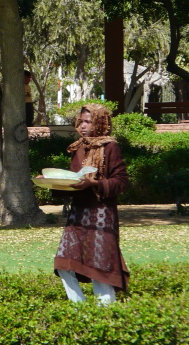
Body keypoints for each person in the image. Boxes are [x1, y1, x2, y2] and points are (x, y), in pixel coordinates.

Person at [53, 104, 130, 305]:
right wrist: (53, 182)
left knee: (100, 264)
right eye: (81, 121)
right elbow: (73, 179)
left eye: (88, 121)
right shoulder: (78, 147)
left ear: (100, 123)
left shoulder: (110, 147)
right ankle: (79, 307)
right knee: (63, 262)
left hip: (101, 213)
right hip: (79, 213)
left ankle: (106, 308)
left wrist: (94, 183)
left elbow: (121, 181)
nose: (83, 126)